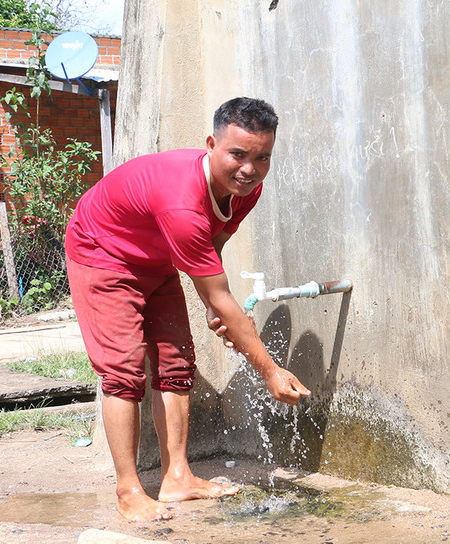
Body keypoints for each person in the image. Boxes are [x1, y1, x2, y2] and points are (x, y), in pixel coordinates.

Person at [64, 97, 310, 522]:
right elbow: (216, 289)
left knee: (177, 361)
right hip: (103, 255)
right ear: (212, 144)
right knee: (123, 370)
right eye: (237, 154)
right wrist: (269, 368)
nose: (249, 169)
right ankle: (128, 491)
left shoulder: (244, 190)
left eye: (261, 157)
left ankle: (177, 476)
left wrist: (219, 306)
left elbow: (210, 250)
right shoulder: (181, 200)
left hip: (157, 260)